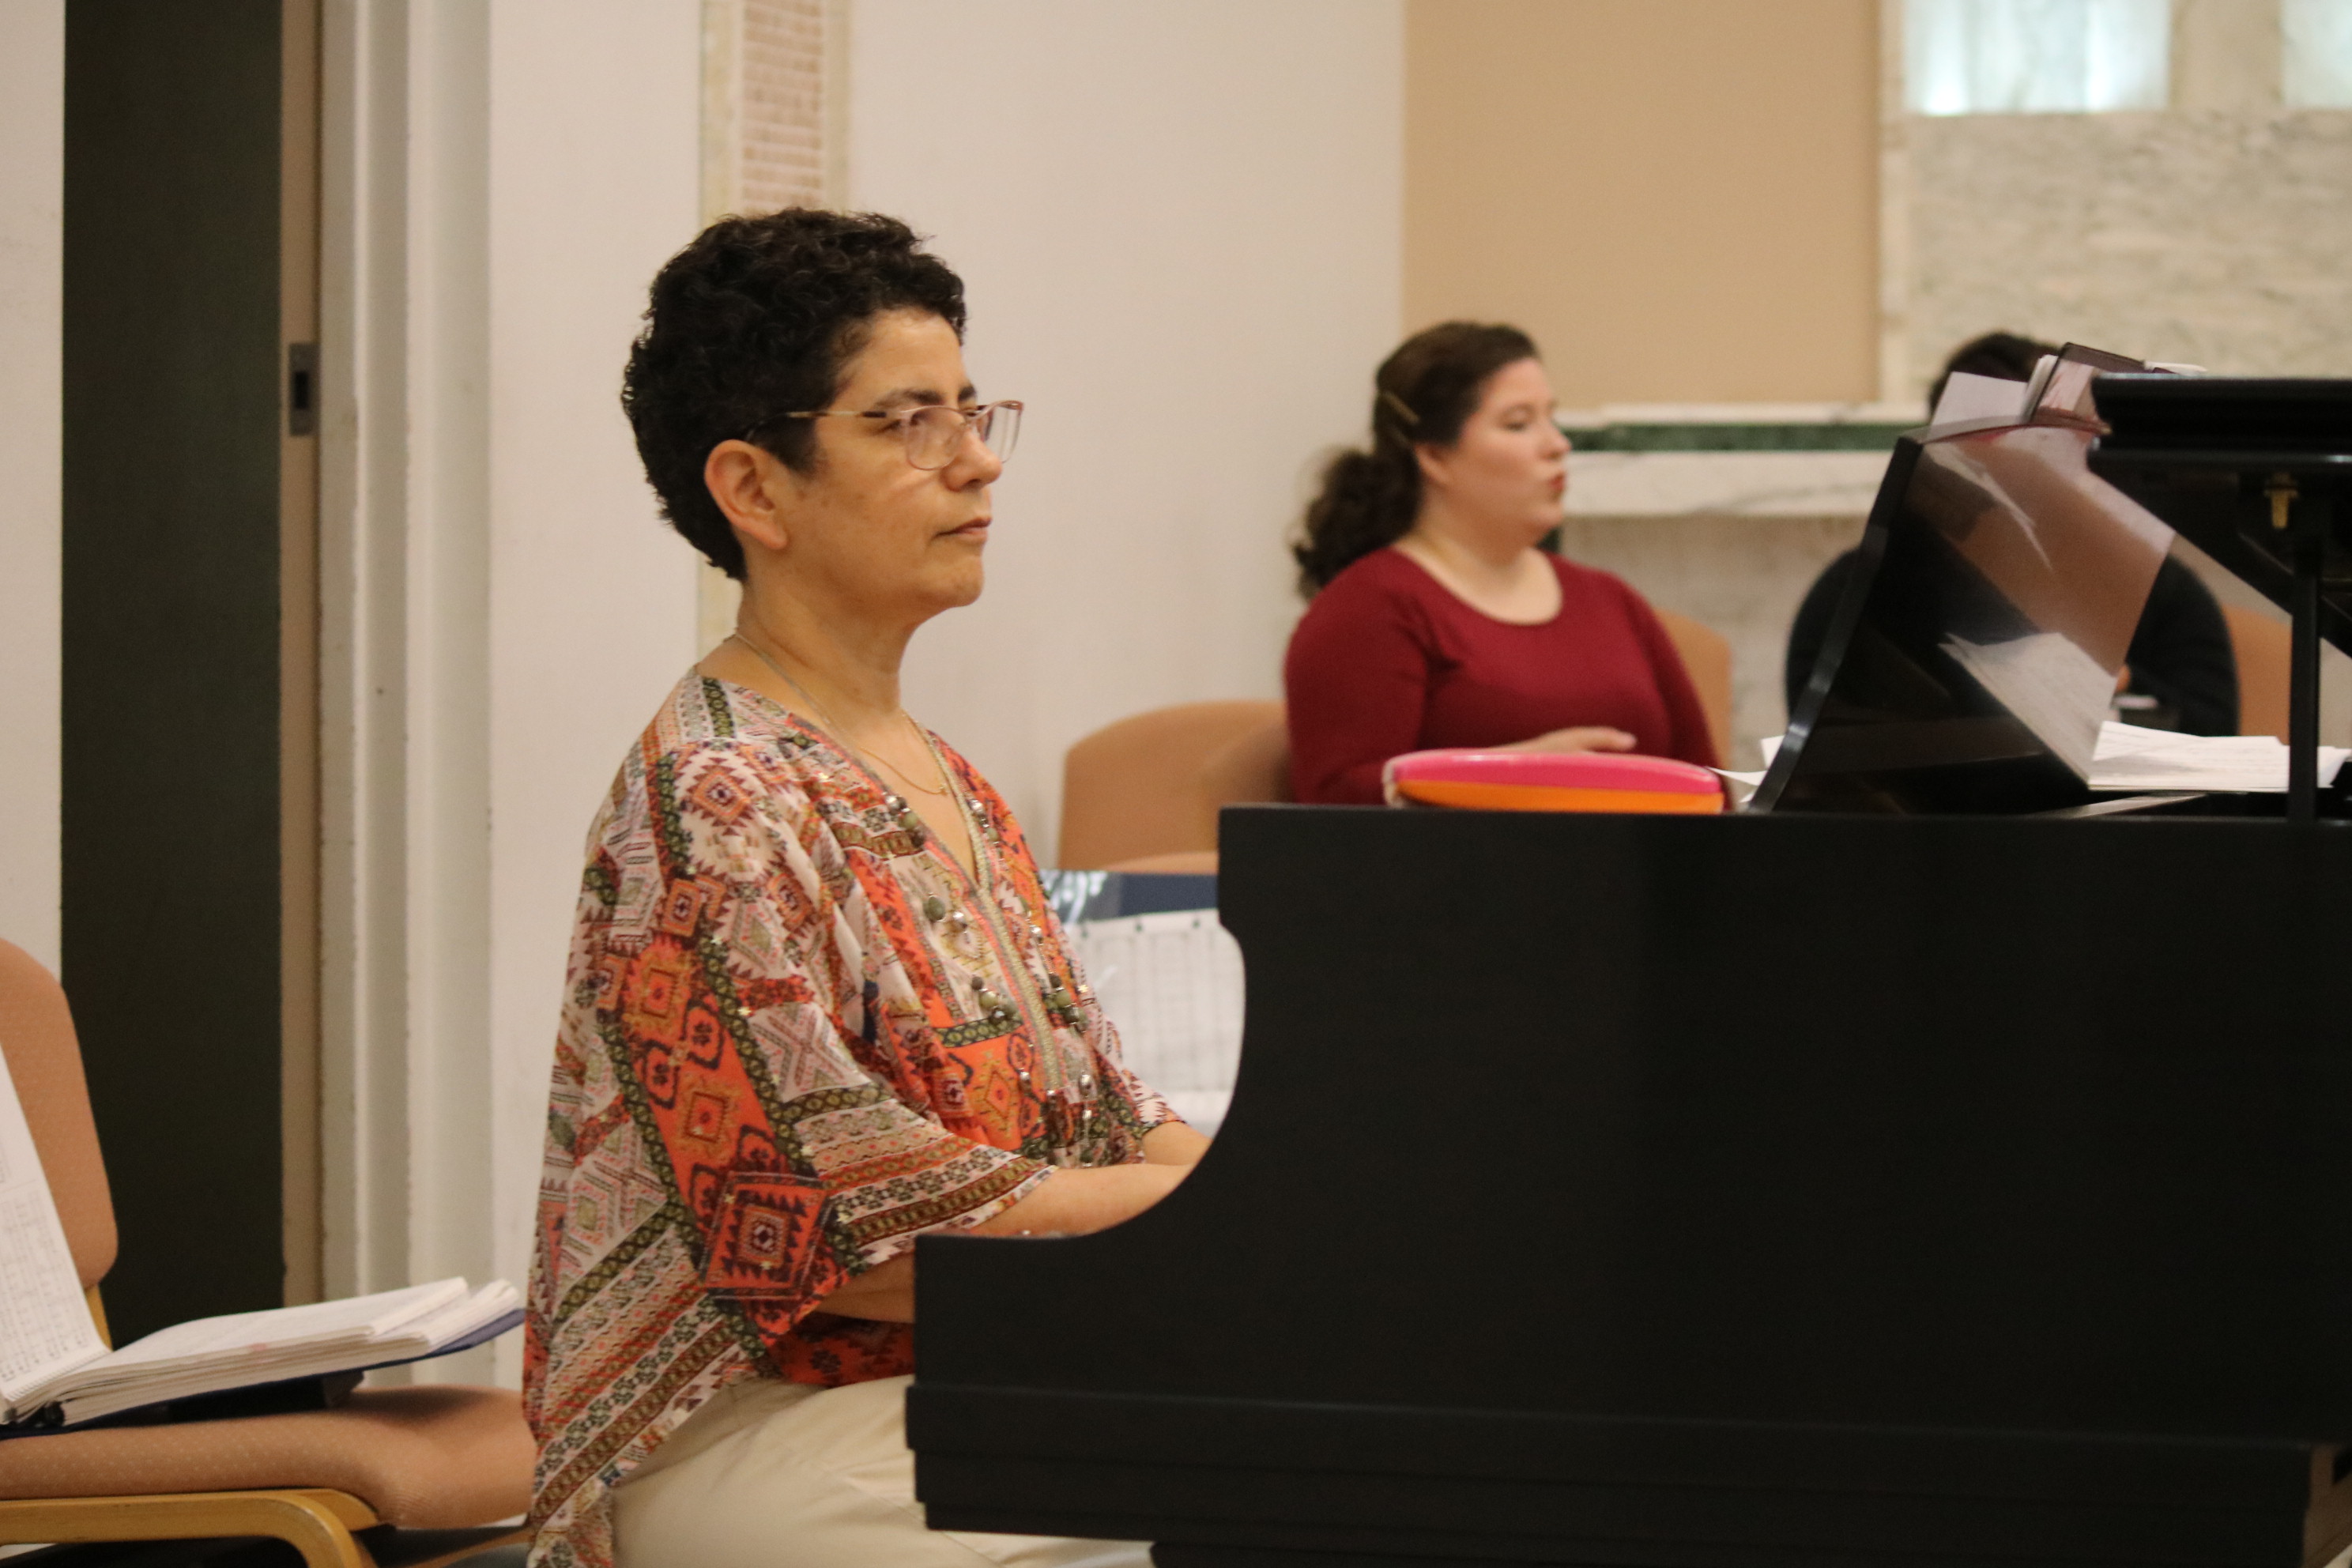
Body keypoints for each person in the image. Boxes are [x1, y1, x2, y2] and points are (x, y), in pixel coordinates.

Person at [526, 209, 1208, 1568]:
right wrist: (1258, 1201)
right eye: (909, 422)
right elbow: (851, 1247)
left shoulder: (937, 772)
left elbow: (1108, 1120)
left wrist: (1291, 1188)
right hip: (754, 1430)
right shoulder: (714, 799)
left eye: (971, 408)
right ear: (756, 489)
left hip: (964, 1374)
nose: (978, 459)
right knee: (1248, 1504)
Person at [1283, 322, 1719, 805]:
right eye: (1518, 423)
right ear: (1434, 457)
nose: (1557, 445)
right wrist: (1509, 780)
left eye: (1551, 418)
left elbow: (1707, 780)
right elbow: (1334, 805)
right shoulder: (1371, 608)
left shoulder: (1609, 598)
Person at [1783, 331, 2238, 734]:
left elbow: (2213, 734)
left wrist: (2106, 679)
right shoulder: (1861, 587)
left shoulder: (2159, 589)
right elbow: (1830, 746)